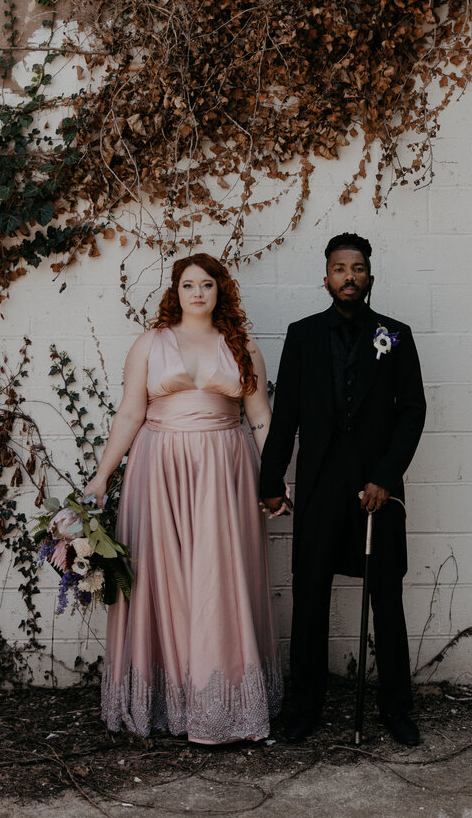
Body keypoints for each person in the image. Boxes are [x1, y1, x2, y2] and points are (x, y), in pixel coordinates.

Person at [83, 252, 283, 743]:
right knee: (164, 576)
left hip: (225, 468)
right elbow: (130, 414)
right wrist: (102, 476)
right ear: (175, 291)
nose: (198, 293)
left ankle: (223, 704)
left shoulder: (243, 346)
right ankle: (167, 700)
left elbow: (260, 419)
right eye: (188, 285)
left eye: (207, 285)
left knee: (220, 575)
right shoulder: (150, 343)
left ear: (221, 291)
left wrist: (274, 480)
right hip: (160, 467)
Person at [259, 233, 426, 745]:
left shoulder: (395, 335)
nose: (348, 276)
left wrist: (385, 477)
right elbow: (284, 414)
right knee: (310, 597)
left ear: (370, 277)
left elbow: (412, 411)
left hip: (378, 489)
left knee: (387, 599)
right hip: (318, 488)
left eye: (357, 268)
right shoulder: (302, 334)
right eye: (339, 268)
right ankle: (304, 709)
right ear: (326, 277)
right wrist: (271, 480)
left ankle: (396, 708)